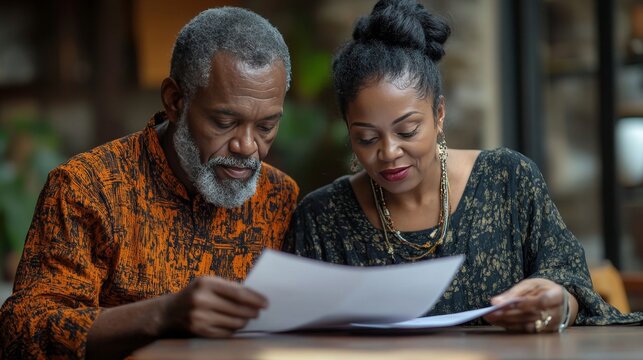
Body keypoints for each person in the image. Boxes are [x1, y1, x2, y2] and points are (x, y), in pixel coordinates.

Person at [283, 0, 643, 333]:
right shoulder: (321, 217)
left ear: (439, 114)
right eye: (366, 138)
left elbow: (570, 283)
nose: (389, 152)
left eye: (407, 130)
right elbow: (290, 328)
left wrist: (558, 303)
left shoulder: (508, 180)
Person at [0, 7, 299, 359]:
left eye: (266, 127)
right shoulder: (87, 187)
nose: (247, 146)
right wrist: (161, 314)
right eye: (224, 122)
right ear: (175, 101)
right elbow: (22, 332)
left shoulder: (279, 197)